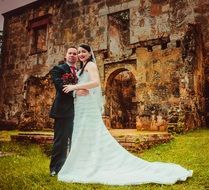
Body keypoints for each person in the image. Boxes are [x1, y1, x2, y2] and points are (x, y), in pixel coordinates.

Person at [58, 44, 193, 185]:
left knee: (91, 132)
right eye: (79, 52)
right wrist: (77, 90)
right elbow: (85, 85)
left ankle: (92, 163)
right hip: (81, 106)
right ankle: (84, 163)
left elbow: (96, 82)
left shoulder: (90, 65)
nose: (80, 54)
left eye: (83, 52)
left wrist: (75, 86)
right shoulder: (81, 68)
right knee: (83, 133)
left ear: (89, 53)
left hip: (87, 106)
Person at [49, 46, 88, 176]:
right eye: (70, 53)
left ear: (77, 57)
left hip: (78, 111)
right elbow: (61, 87)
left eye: (75, 53)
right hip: (63, 112)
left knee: (76, 140)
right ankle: (56, 168)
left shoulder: (80, 71)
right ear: (66, 56)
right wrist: (78, 90)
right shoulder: (58, 69)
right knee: (61, 140)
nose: (72, 55)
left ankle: (73, 167)